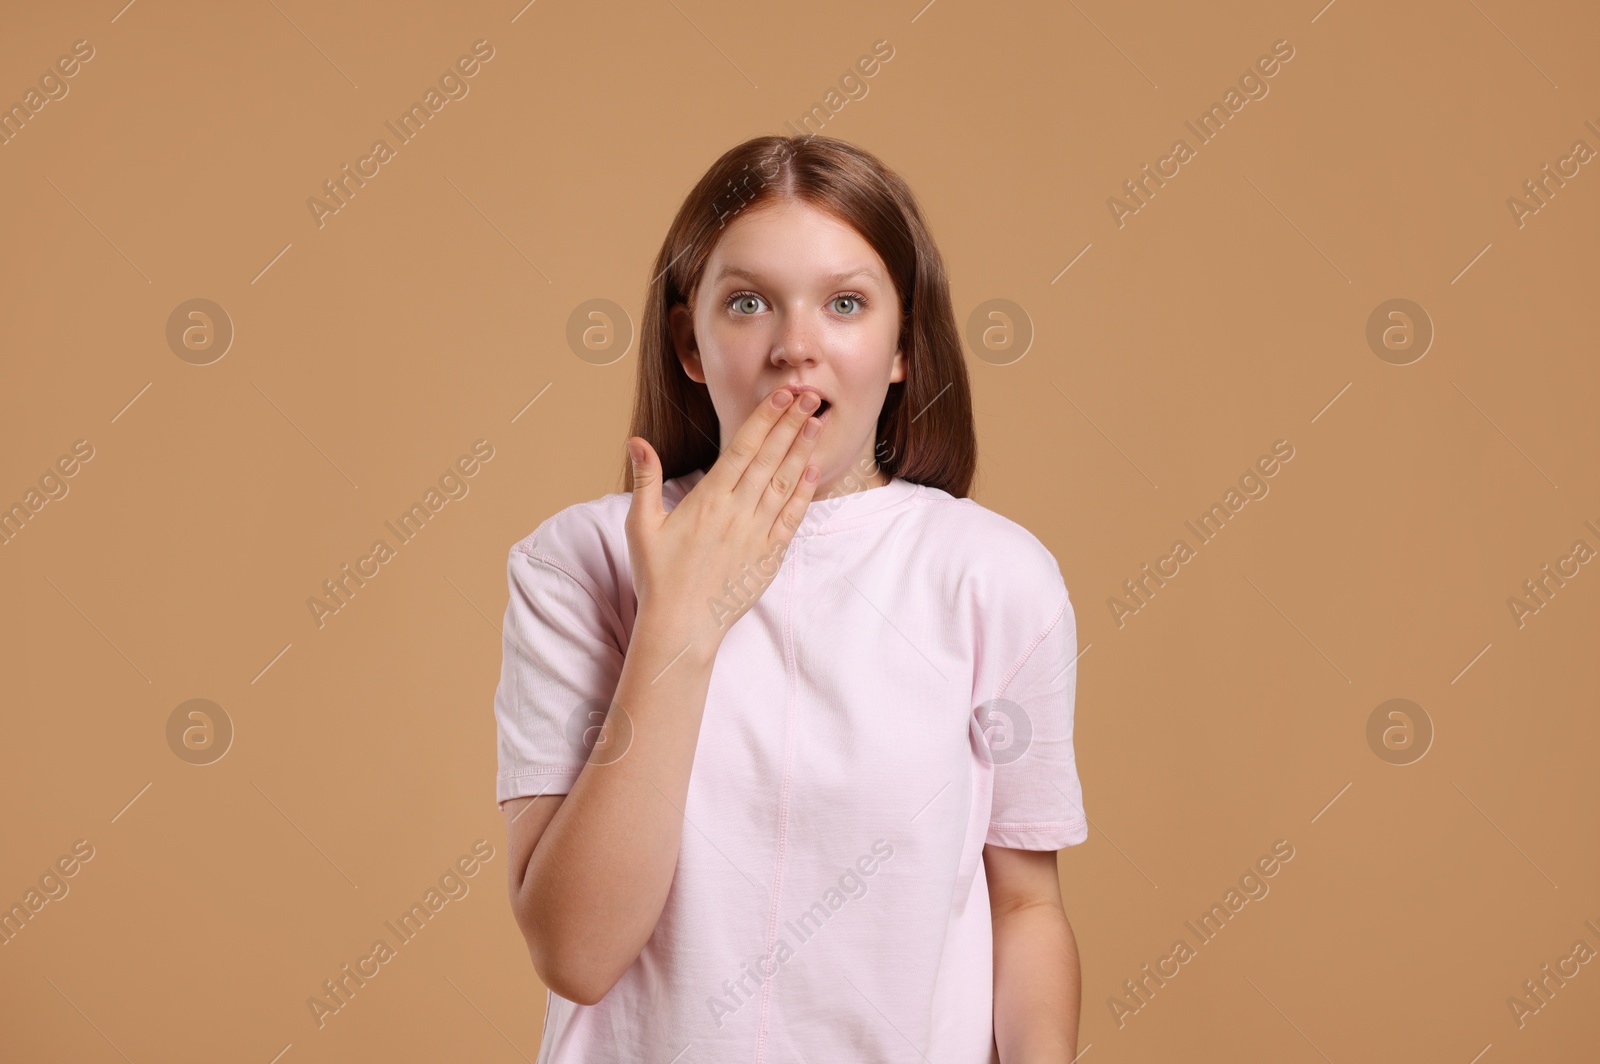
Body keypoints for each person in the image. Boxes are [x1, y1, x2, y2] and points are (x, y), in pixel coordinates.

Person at [493, 133, 1088, 1062]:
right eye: (748, 303)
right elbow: (576, 951)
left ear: (901, 346)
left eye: (846, 303)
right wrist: (679, 624)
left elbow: (1024, 901)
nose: (795, 349)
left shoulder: (996, 577)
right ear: (690, 343)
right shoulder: (578, 565)